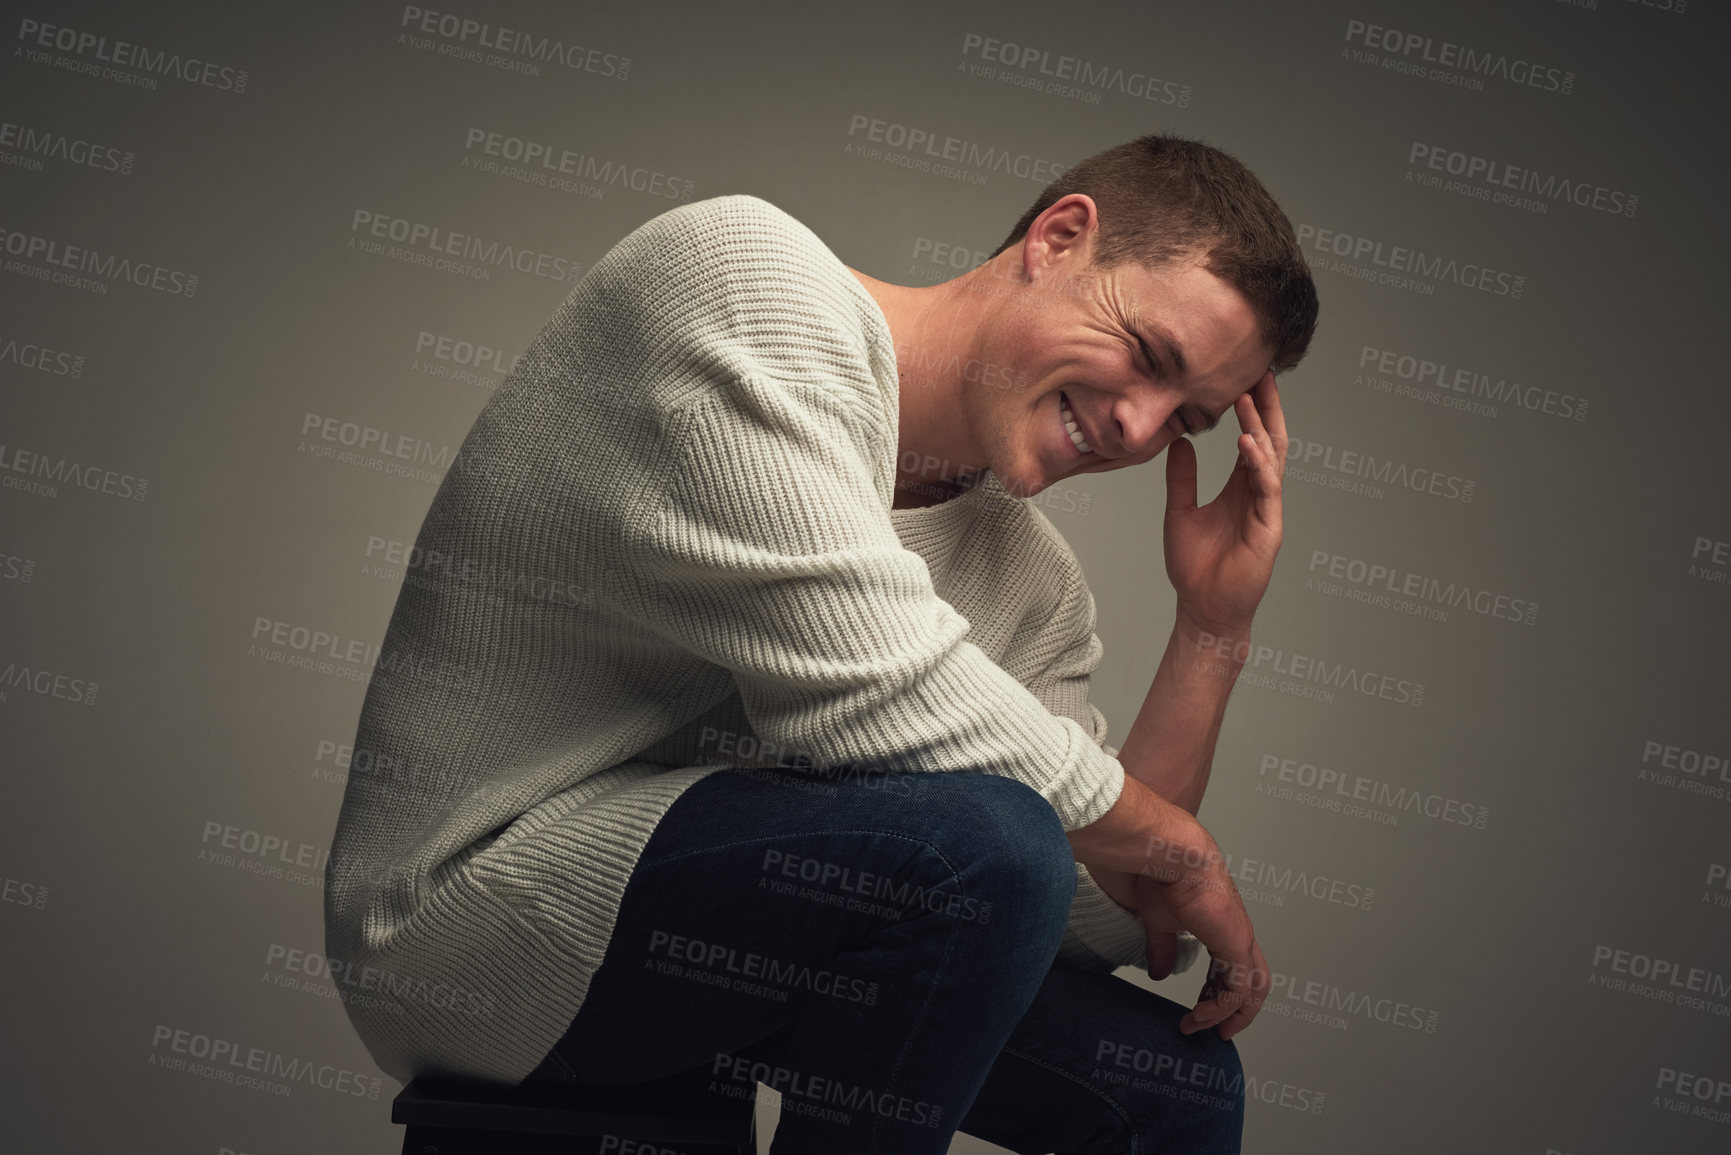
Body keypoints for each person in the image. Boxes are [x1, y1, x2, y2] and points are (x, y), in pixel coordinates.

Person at [323, 130, 1318, 1154]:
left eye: (1185, 420)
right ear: (1060, 238)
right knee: (978, 846)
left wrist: (1213, 627)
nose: (1140, 428)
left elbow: (1094, 918)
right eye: (1150, 359)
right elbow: (867, 686)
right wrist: (1172, 841)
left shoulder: (1030, 575)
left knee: (1173, 1086)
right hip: (474, 920)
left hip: (739, 932)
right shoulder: (744, 283)